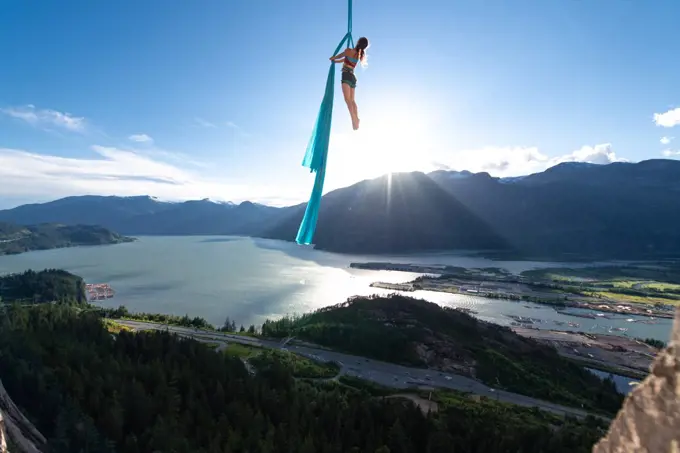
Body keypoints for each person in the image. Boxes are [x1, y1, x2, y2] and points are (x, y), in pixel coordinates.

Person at [330, 37, 369, 130]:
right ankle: (356, 118)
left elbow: (341, 56)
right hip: (352, 77)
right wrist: (335, 61)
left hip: (346, 76)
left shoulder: (348, 50)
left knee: (348, 100)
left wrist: (333, 57)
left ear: (358, 42)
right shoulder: (358, 55)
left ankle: (354, 119)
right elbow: (344, 60)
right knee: (352, 100)